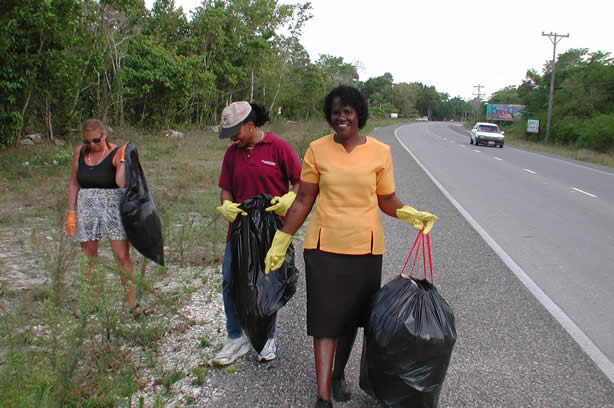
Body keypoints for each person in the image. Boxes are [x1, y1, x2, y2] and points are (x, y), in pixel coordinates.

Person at [263, 86, 438, 408]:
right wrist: (282, 238)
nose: (340, 118)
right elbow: (304, 199)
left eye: (347, 112)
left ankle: (338, 373)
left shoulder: (380, 152)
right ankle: (323, 396)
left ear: (359, 115)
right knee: (326, 321)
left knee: (352, 319)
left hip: (365, 248)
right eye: (335, 112)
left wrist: (410, 214)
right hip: (323, 247)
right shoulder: (317, 149)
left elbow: (386, 199)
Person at [213, 101, 302, 365]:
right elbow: (226, 187)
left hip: (271, 230)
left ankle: (266, 338)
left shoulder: (279, 148)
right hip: (239, 230)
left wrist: (289, 197)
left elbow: (300, 180)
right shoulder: (232, 154)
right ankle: (236, 338)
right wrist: (226, 204)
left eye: (235, 133)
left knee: (267, 285)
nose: (232, 139)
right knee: (231, 281)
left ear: (250, 126)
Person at [64, 119, 145, 317]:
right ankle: (90, 302)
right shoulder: (79, 153)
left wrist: (125, 160)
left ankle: (133, 304)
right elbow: (74, 183)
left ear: (104, 135)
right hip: (87, 208)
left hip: (113, 209)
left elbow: (121, 182)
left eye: (95, 140)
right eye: (87, 141)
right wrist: (70, 212)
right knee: (89, 259)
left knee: (122, 256)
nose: (91, 145)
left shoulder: (116, 153)